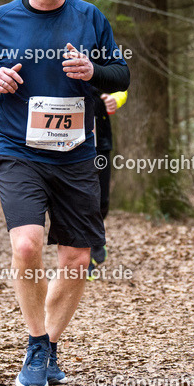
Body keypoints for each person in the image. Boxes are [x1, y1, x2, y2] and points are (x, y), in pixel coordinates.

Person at [0, 0, 130, 386]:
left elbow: (121, 73)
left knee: (77, 258)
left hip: (77, 154)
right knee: (27, 246)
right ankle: (36, 342)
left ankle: (48, 346)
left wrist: (94, 72)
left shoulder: (89, 18)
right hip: (20, 150)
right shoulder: (3, 19)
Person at [87, 86, 127, 279]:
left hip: (100, 140)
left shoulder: (102, 55)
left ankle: (96, 236)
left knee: (102, 201)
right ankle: (85, 256)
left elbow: (121, 87)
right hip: (69, 140)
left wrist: (115, 99)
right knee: (78, 199)